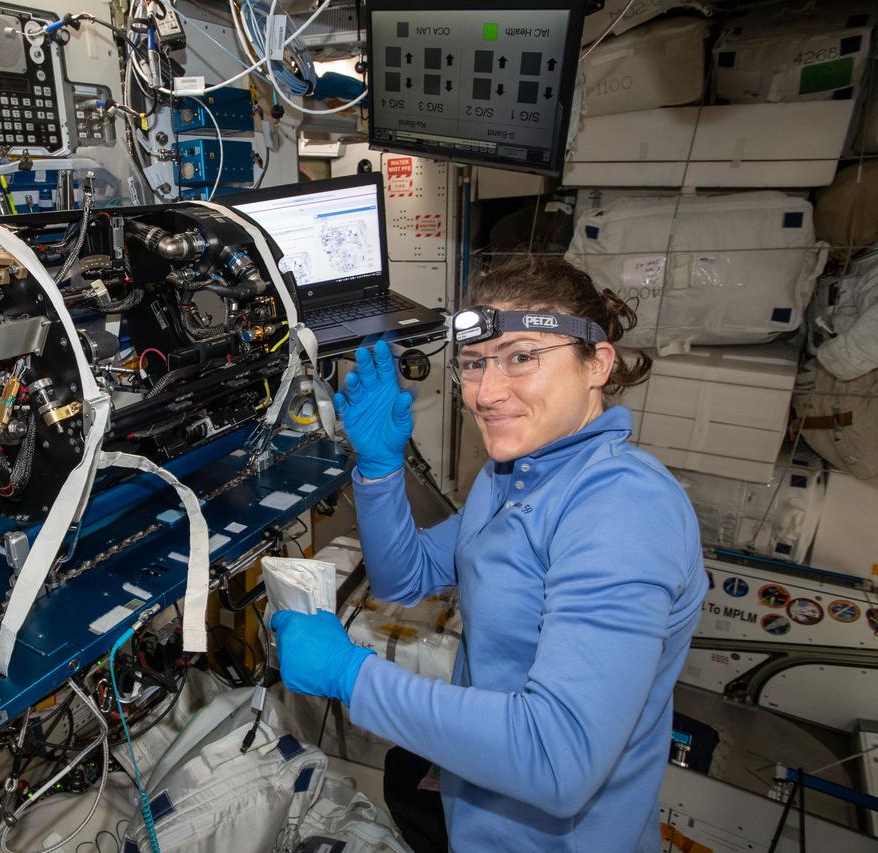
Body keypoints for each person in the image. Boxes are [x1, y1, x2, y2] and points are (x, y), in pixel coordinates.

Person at [270, 257, 706, 852]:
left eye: (521, 357)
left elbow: (557, 759)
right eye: (474, 363)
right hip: (479, 816)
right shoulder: (512, 476)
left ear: (597, 364)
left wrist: (352, 677)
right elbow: (405, 578)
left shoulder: (621, 508)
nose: (486, 392)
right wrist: (379, 470)